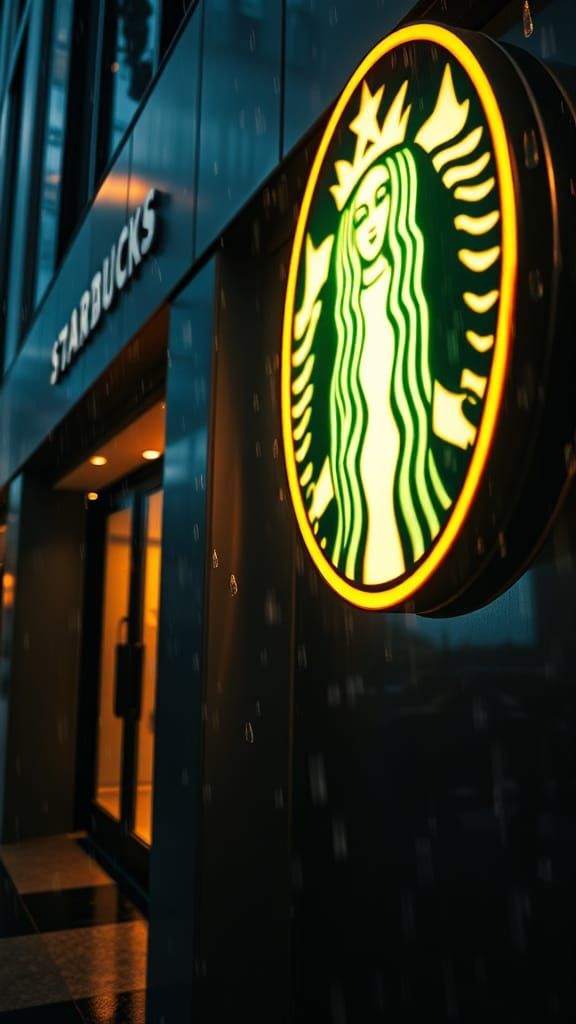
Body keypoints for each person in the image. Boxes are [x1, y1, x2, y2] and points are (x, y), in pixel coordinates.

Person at [308, 146, 451, 585]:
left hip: (410, 467)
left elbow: (432, 391)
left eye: (384, 197)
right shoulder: (346, 318)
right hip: (355, 484)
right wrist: (326, 489)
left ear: (405, 199)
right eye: (361, 209)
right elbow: (345, 415)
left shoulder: (415, 297)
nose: (370, 221)